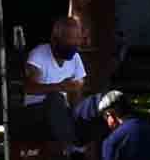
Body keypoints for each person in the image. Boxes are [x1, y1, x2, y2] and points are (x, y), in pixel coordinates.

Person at [16, 17, 100, 151]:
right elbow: (29, 88)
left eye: (76, 40)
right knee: (56, 98)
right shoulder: (38, 55)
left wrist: (80, 111)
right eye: (69, 40)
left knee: (97, 102)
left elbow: (77, 92)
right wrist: (60, 86)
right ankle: (70, 147)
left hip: (62, 114)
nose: (74, 44)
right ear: (55, 39)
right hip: (36, 112)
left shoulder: (75, 58)